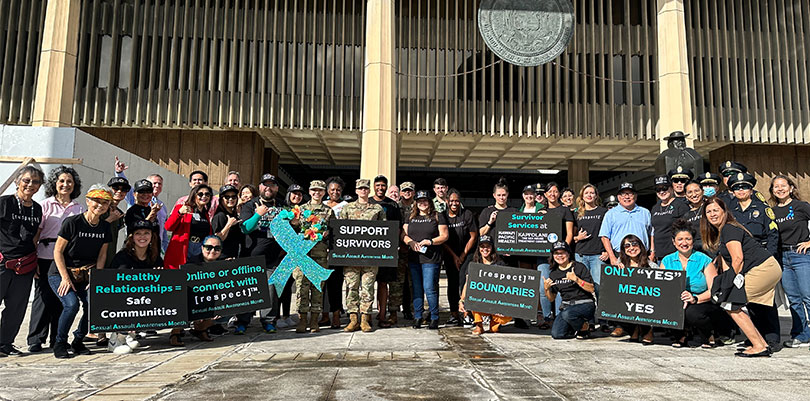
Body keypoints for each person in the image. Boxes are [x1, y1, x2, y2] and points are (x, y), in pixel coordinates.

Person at [702, 197, 782, 357]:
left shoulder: (728, 229)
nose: (712, 214)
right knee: (730, 302)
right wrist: (726, 283)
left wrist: (731, 282)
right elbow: (727, 263)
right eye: (708, 212)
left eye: (716, 210)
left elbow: (738, 259)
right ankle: (762, 344)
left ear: (724, 212)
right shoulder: (722, 232)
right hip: (763, 268)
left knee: (730, 304)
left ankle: (758, 345)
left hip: (763, 268)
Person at [49, 185, 113, 358]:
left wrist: (96, 279)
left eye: (105, 203)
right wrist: (64, 278)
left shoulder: (105, 228)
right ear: (88, 201)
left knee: (94, 304)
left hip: (86, 274)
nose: (100, 205)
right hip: (60, 273)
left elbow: (102, 255)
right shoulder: (73, 222)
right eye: (97, 201)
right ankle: (60, 342)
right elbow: (58, 251)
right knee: (71, 305)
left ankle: (78, 340)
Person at [27, 166, 82, 353]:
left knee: (62, 299)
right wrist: (33, 259)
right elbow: (36, 234)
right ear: (55, 184)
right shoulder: (45, 205)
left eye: (69, 182)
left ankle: (56, 338)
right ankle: (36, 338)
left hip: (66, 260)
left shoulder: (78, 207)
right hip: (45, 255)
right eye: (61, 181)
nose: (65, 185)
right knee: (42, 298)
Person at [728, 173, 781, 348]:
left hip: (762, 259)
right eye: (736, 187)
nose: (740, 190)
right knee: (749, 301)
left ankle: (772, 338)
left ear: (751, 189)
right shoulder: (731, 211)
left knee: (766, 299)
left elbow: (773, 235)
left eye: (744, 187)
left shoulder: (763, 209)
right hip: (743, 259)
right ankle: (756, 336)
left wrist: (770, 257)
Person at [0, 166, 44, 357]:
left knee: (16, 308)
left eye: (35, 182)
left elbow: (35, 237)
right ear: (18, 181)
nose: (30, 185)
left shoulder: (37, 208)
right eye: (26, 180)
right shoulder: (4, 203)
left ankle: (5, 343)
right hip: (2, 261)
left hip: (24, 265)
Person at [660, 219, 724, 348]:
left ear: (693, 241)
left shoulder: (704, 260)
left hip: (702, 300)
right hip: (677, 300)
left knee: (692, 313)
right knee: (669, 309)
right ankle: (681, 335)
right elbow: (663, 287)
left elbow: (714, 290)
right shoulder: (667, 261)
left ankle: (709, 334)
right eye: (680, 239)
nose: (684, 243)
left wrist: (695, 298)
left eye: (688, 239)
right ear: (674, 242)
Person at [237, 174, 284, 334]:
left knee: (270, 291)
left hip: (272, 258)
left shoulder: (282, 206)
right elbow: (245, 228)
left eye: (272, 185)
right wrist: (258, 214)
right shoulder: (250, 205)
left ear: (277, 188)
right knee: (247, 291)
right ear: (260, 187)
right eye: (265, 185)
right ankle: (243, 321)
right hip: (250, 257)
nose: (268, 188)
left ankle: (269, 321)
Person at [107, 219, 163, 354]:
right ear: (132, 237)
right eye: (138, 233)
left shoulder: (155, 256)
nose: (142, 237)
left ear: (152, 236)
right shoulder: (122, 256)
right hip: (120, 298)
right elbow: (116, 283)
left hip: (143, 298)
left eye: (146, 233)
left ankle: (131, 335)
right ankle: (115, 340)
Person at [339, 179, 386, 332]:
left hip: (370, 257)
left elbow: (384, 231)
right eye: (360, 188)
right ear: (356, 191)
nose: (363, 191)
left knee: (368, 288)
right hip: (351, 256)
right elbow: (341, 230)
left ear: (369, 190)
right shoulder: (347, 208)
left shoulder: (377, 208)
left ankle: (365, 318)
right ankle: (353, 319)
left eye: (366, 188)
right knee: (351, 287)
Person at [770, 175, 810, 348]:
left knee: (808, 297)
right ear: (772, 191)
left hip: (801, 256)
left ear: (791, 188)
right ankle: (800, 334)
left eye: (783, 185)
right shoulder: (772, 211)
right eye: (776, 187)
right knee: (793, 299)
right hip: (783, 258)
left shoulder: (801, 206)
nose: (780, 189)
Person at [294, 180, 335, 333]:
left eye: (320, 190)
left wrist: (327, 233)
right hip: (303, 254)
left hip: (319, 253)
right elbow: (293, 228)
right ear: (309, 192)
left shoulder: (329, 211)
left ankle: (314, 320)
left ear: (324, 193)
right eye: (314, 190)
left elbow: (334, 230)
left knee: (317, 287)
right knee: (302, 287)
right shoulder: (301, 209)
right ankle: (302, 319)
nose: (317, 193)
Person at [404, 190, 449, 329]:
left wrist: (430, 241)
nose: (422, 203)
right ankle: (418, 316)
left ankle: (434, 317)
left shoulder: (437, 216)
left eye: (425, 200)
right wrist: (410, 242)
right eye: (419, 201)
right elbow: (403, 235)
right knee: (417, 289)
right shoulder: (410, 217)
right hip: (414, 258)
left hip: (431, 258)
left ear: (429, 202)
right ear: (416, 203)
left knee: (429, 288)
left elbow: (444, 235)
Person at [609, 234, 658, 342]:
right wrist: (617, 273)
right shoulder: (619, 263)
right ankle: (633, 330)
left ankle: (647, 330)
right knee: (613, 304)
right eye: (627, 246)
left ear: (641, 246)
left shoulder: (652, 266)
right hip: (626, 299)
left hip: (646, 301)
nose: (631, 248)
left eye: (634, 244)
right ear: (623, 249)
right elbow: (612, 287)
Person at [113, 157, 169, 252]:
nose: (157, 186)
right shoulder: (135, 199)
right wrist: (119, 173)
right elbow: (127, 188)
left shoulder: (162, 205)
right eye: (154, 183)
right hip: (136, 247)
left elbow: (163, 230)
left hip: (154, 249)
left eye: (160, 184)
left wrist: (165, 249)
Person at [458, 235, 510, 335]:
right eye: (482, 246)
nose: (485, 249)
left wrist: (503, 304)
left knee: (494, 330)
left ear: (492, 248)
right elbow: (467, 284)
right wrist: (461, 300)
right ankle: (479, 326)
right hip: (480, 302)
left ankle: (494, 322)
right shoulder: (473, 265)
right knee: (472, 297)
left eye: (488, 246)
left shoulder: (500, 264)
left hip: (496, 302)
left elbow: (507, 287)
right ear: (478, 248)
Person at [544, 242, 596, 339]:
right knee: (557, 334)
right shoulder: (554, 273)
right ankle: (577, 328)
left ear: (568, 254)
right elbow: (551, 299)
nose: (559, 256)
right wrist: (546, 289)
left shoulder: (579, 267)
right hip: (567, 306)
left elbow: (591, 288)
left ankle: (584, 326)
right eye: (556, 253)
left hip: (585, 304)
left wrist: (576, 279)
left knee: (567, 314)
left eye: (562, 253)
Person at [442, 189, 477, 327]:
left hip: (466, 253)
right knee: (452, 285)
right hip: (450, 254)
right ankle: (454, 314)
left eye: (456, 200)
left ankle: (467, 314)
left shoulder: (467, 214)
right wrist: (455, 257)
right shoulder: (443, 216)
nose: (454, 203)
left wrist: (462, 256)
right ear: (447, 201)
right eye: (451, 201)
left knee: (464, 283)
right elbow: (443, 239)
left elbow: (473, 236)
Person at [369, 175, 401, 326]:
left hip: (386, 250)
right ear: (374, 187)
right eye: (378, 185)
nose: (380, 188)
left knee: (383, 283)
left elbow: (398, 227)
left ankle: (382, 317)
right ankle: (366, 316)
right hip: (367, 250)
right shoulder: (367, 202)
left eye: (383, 186)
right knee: (366, 284)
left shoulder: (393, 205)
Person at [599, 182, 652, 267]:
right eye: (623, 194)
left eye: (630, 194)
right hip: (620, 256)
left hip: (642, 256)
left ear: (635, 196)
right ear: (619, 197)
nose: (627, 197)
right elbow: (604, 237)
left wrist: (652, 252)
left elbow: (651, 234)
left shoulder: (645, 212)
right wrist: (612, 257)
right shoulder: (610, 214)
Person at [165, 184, 214, 269]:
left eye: (207, 194)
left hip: (199, 248)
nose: (204, 196)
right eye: (200, 194)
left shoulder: (206, 214)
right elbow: (168, 227)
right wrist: (179, 213)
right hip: (184, 248)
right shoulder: (182, 208)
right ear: (194, 195)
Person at [573, 184, 608, 296]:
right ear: (582, 196)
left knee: (598, 287)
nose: (589, 195)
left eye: (592, 193)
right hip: (581, 255)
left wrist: (607, 250)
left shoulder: (603, 212)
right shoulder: (576, 213)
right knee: (581, 286)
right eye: (586, 193)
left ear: (596, 196)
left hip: (598, 255)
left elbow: (609, 233)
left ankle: (599, 312)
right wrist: (578, 238)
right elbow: (570, 236)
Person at [323, 176, 347, 327]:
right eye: (332, 189)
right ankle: (324, 315)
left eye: (338, 190)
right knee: (321, 285)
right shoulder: (322, 205)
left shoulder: (346, 206)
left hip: (338, 249)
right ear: (327, 191)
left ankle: (336, 314)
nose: (335, 192)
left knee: (336, 283)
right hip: (319, 249)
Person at [650, 175, 690, 262]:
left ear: (671, 188)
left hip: (676, 253)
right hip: (659, 255)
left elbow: (686, 230)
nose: (661, 192)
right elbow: (653, 230)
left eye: (664, 188)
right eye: (658, 189)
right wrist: (652, 251)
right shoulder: (655, 208)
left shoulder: (681, 206)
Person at [478, 178, 518, 261]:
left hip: (509, 255)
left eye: (504, 195)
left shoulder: (514, 211)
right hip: (491, 254)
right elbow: (481, 233)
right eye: (499, 195)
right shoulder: (487, 211)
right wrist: (490, 222)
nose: (501, 198)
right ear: (494, 195)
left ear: (507, 194)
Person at [396, 181, 416, 321]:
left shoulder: (419, 206)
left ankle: (412, 310)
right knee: (398, 282)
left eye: (410, 190)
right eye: (404, 191)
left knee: (413, 283)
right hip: (399, 250)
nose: (407, 193)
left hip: (415, 250)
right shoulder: (395, 207)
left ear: (413, 192)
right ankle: (394, 311)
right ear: (400, 192)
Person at [211, 185, 243, 259]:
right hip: (223, 259)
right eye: (227, 197)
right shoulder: (220, 216)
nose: (231, 199)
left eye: (234, 197)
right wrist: (229, 225)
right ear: (221, 199)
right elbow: (217, 240)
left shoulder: (234, 214)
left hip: (234, 257)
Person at [684, 181, 705, 253]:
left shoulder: (710, 207)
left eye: (696, 191)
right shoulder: (686, 215)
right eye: (689, 192)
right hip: (695, 251)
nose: (694, 194)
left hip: (712, 248)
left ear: (702, 192)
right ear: (686, 195)